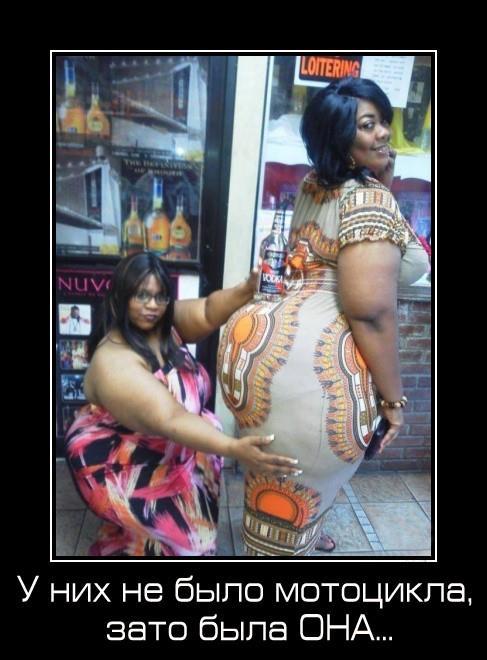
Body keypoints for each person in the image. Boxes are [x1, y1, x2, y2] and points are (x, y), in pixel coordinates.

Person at [217, 77, 430, 556]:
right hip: (315, 367)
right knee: (302, 473)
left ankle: (287, 537)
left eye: (384, 122)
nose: (384, 134)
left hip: (261, 347)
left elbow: (340, 248)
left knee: (277, 476)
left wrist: (381, 184)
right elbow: (370, 312)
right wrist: (393, 401)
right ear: (339, 137)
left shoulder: (313, 184)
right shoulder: (368, 200)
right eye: (368, 125)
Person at [64, 252, 300, 557]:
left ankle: (139, 536)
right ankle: (132, 536)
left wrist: (248, 287)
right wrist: (234, 448)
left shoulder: (162, 323)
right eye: (141, 295)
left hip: (167, 440)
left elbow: (208, 311)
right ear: (121, 296)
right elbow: (171, 418)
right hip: (118, 460)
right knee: (190, 544)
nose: (152, 305)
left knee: (183, 514)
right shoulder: (113, 360)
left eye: (160, 296)